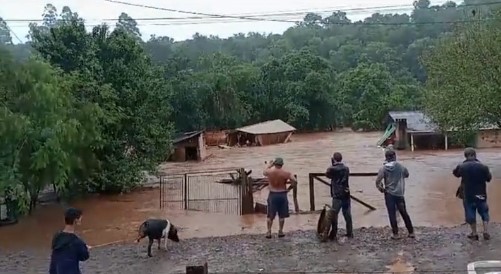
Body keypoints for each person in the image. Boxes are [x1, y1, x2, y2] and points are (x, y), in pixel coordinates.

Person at [453, 147, 492, 240]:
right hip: (481, 194)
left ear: (465, 156)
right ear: (475, 155)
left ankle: (474, 233)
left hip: (468, 194)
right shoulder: (484, 167)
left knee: (470, 212)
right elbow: (489, 179)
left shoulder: (462, 166)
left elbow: (456, 174)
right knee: (484, 211)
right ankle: (486, 231)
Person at [375, 149, 415, 239]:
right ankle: (411, 232)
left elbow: (378, 181)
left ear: (386, 158)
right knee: (404, 213)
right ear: (394, 157)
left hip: (389, 194)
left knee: (392, 214)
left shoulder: (383, 168)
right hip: (400, 193)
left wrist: (381, 189)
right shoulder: (401, 167)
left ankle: (395, 234)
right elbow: (407, 174)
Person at [263, 157, 297, 238]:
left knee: (270, 215)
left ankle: (268, 231)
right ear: (282, 164)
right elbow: (295, 181)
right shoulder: (286, 173)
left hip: (272, 194)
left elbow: (264, 172)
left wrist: (269, 165)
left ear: (275, 164)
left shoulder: (269, 171)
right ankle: (280, 231)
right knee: (282, 215)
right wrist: (289, 189)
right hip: (282, 194)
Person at [49, 207, 90, 274]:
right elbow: (85, 256)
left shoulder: (56, 237)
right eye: (80, 219)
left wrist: (83, 247)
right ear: (76, 221)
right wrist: (85, 248)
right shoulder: (77, 242)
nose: (80, 221)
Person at [324, 152, 353, 240]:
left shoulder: (331, 169)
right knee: (347, 214)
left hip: (337, 195)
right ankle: (349, 233)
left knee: (333, 214)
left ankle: (333, 233)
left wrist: (332, 164)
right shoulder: (346, 168)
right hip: (346, 193)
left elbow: (327, 175)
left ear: (334, 159)